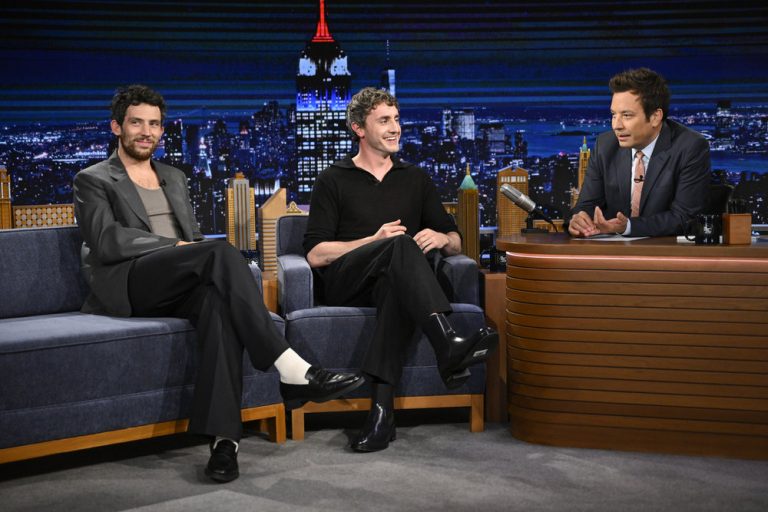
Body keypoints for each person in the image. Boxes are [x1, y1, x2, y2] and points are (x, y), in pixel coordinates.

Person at [73, 85, 363, 483]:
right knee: (220, 252)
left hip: (182, 279)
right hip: (132, 280)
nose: (146, 132)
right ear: (116, 127)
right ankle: (290, 367)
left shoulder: (174, 177)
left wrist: (189, 250)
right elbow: (107, 240)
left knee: (219, 306)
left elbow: (192, 237)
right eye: (136, 123)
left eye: (154, 124)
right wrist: (177, 247)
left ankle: (225, 442)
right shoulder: (92, 179)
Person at [304, 87, 498, 453]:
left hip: (400, 284)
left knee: (396, 286)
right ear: (359, 128)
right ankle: (447, 342)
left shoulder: (415, 178)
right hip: (349, 282)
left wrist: (441, 237)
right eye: (384, 121)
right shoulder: (333, 179)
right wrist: (373, 240)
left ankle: (382, 414)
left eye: (396, 119)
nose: (395, 128)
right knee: (398, 244)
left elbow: (457, 242)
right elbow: (315, 254)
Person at [569, 67, 711, 237]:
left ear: (655, 117)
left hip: (666, 250)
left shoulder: (690, 147)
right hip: (612, 250)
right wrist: (579, 220)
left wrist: (627, 227)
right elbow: (586, 206)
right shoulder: (605, 146)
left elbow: (685, 217)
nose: (616, 125)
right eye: (613, 115)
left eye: (627, 115)